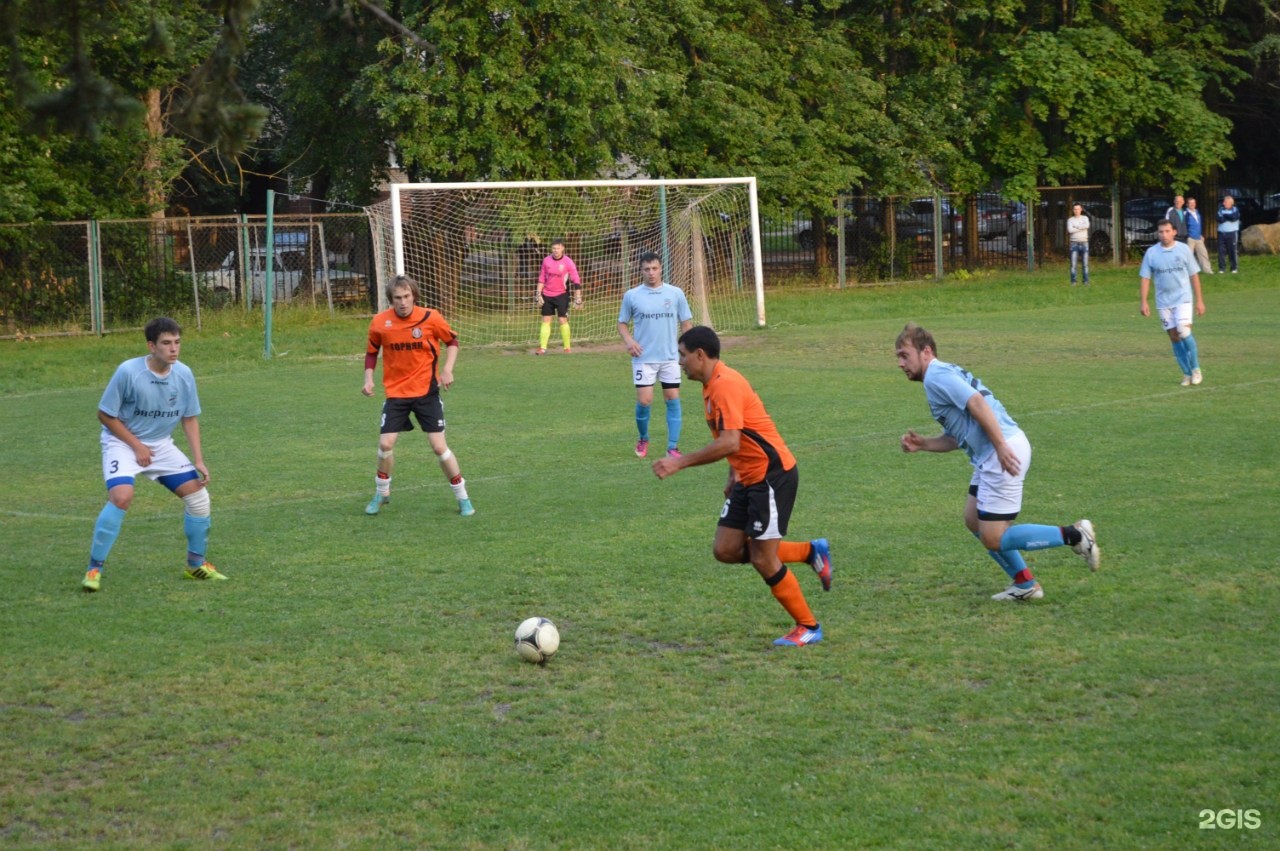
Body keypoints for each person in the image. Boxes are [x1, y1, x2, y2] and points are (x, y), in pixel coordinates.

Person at [652, 326, 832, 646]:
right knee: (725, 549)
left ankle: (808, 626)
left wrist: (679, 461)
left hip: (771, 476)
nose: (680, 362)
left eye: (682, 355)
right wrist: (733, 473)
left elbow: (731, 441)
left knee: (764, 558)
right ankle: (810, 551)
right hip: (748, 477)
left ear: (700, 355)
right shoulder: (710, 386)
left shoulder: (725, 385)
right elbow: (739, 438)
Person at [895, 323, 1099, 602]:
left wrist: (1001, 446)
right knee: (973, 520)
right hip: (992, 453)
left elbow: (977, 403)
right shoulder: (940, 375)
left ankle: (1075, 536)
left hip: (1001, 452)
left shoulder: (936, 375)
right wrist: (925, 444)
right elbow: (960, 435)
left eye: (904, 355)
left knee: (993, 537)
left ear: (926, 351)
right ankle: (1025, 583)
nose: (900, 363)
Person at [82, 317, 226, 592]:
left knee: (198, 498)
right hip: (122, 443)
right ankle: (93, 569)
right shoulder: (128, 372)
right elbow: (105, 415)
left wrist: (198, 460)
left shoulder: (184, 374)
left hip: (161, 445)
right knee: (122, 497)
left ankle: (196, 565)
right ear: (151, 346)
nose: (174, 349)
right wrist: (136, 446)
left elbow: (190, 418)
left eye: (177, 342)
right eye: (166, 343)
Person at [362, 274, 474, 516]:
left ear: (413, 295)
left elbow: (452, 341)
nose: (402, 302)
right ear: (390, 300)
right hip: (396, 393)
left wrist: (447, 369)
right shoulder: (380, 323)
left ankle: (463, 498)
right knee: (385, 443)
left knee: (438, 447)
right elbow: (372, 352)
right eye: (397, 298)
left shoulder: (430, 318)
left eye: (406, 296)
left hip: (426, 392)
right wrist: (368, 378)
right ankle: (382, 492)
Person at [617, 251, 693, 458]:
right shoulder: (632, 295)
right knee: (644, 401)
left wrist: (685, 350)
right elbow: (622, 323)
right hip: (644, 358)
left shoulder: (675, 293)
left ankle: (673, 447)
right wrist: (630, 341)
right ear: (640, 271)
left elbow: (686, 323)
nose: (651, 273)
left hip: (670, 358)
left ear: (661, 269)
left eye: (655, 268)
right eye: (647, 269)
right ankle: (643, 438)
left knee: (672, 398)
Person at [1140, 219, 1206, 386]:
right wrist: (1144, 302)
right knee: (1174, 337)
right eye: (1161, 232)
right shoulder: (1152, 253)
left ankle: (1196, 368)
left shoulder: (1183, 250)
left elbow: (1194, 275)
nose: (1164, 234)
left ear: (1174, 232)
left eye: (1167, 231)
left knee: (1184, 332)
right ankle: (1186, 374)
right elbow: (1145, 278)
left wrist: (1200, 301)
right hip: (1163, 302)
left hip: (1183, 299)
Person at [535, 238, 583, 354]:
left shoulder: (568, 262)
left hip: (562, 295)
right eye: (553, 248)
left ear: (562, 248)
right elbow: (541, 278)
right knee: (546, 319)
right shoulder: (546, 261)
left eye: (558, 248)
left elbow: (576, 280)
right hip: (547, 294)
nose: (555, 250)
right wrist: (538, 294)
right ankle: (542, 348)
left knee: (562, 320)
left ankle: (567, 348)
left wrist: (578, 297)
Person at [1184, 197, 1213, 275]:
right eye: (1191, 203)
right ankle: (1187, 272)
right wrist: (1187, 236)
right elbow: (1184, 226)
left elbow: (1199, 225)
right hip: (1190, 238)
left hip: (1198, 237)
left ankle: (1207, 270)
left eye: (1194, 203)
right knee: (1188, 256)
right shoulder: (1186, 214)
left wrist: (1201, 234)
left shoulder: (1197, 212)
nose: (1193, 204)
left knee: (1203, 254)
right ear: (1187, 204)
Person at [1066, 203, 1090, 285]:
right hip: (1074, 243)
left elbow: (1087, 225)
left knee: (1085, 264)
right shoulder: (1070, 220)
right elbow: (1070, 230)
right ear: (1073, 210)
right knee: (1073, 265)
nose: (1076, 211)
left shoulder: (1085, 218)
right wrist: (1081, 227)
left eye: (1078, 209)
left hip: (1084, 242)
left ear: (1081, 210)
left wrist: (1076, 227)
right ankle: (1073, 282)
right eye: (1075, 209)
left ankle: (1086, 281)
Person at [1216, 195, 1240, 273]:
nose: (1223, 203)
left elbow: (1234, 218)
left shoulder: (1235, 209)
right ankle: (1222, 268)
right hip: (1221, 234)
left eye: (1225, 202)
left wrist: (1225, 216)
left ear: (1230, 202)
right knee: (1221, 251)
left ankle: (1234, 268)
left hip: (1232, 233)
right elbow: (1219, 219)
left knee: (1232, 251)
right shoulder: (1220, 210)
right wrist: (1228, 217)